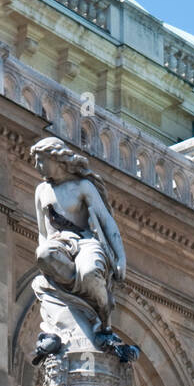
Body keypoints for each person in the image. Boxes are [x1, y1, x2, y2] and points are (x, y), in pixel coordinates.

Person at [31, 136, 126, 340]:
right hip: (60, 244)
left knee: (90, 272)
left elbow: (107, 223)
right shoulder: (42, 191)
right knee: (44, 254)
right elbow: (42, 232)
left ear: (56, 159)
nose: (37, 166)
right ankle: (79, 296)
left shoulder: (83, 186)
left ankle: (102, 312)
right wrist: (47, 264)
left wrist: (121, 258)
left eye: (41, 160)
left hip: (85, 242)